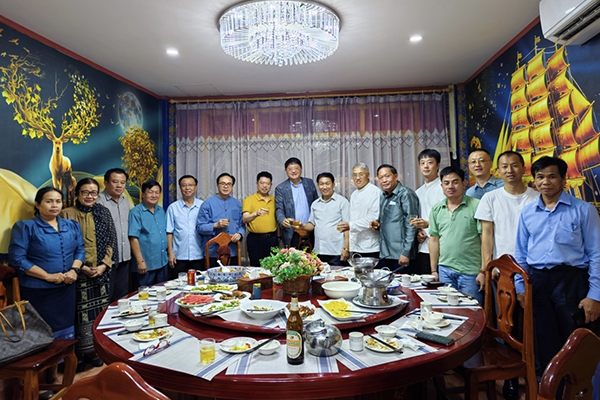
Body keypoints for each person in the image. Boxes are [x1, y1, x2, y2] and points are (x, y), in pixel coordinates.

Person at [515, 156, 600, 377]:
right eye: (540, 177)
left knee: (573, 339)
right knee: (543, 337)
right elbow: (520, 254)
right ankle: (548, 387)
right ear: (534, 181)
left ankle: (575, 388)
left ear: (564, 180)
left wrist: (595, 295)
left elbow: (597, 254)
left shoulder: (584, 210)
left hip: (571, 281)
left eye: (552, 176)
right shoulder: (527, 213)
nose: (545, 182)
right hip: (538, 281)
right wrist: (520, 287)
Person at [474, 151, 537, 400]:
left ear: (523, 167)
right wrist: (485, 269)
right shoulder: (490, 198)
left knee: (531, 326)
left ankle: (536, 373)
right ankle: (510, 378)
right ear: (498, 171)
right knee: (505, 325)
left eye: (514, 165)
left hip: (532, 271)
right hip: (502, 273)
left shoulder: (536, 197)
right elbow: (487, 237)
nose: (509, 170)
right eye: (504, 166)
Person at [9, 187, 84, 385]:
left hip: (66, 289)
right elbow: (17, 259)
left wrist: (74, 270)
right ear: (37, 204)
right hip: (39, 292)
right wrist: (47, 276)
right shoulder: (25, 227)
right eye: (49, 201)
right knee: (42, 335)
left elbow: (80, 250)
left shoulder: (71, 225)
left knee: (64, 333)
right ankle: (40, 380)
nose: (54, 205)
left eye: (58, 201)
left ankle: (57, 376)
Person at [61, 177, 118, 369]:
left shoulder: (103, 212)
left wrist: (103, 265)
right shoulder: (67, 214)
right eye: (85, 192)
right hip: (78, 273)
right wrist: (81, 267)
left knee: (100, 313)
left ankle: (96, 351)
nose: (89, 196)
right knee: (80, 315)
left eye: (93, 193)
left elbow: (111, 240)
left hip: (101, 273)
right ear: (77, 194)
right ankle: (79, 355)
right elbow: (65, 247)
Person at [429, 166, 483, 304]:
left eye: (455, 182)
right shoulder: (436, 209)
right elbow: (434, 240)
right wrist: (434, 270)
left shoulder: (477, 206)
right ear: (441, 185)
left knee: (472, 310)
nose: (450, 186)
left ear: (464, 184)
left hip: (471, 272)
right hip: (445, 270)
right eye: (446, 183)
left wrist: (483, 271)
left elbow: (485, 240)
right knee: (447, 310)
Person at [375, 164, 420, 271]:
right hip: (386, 253)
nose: (384, 180)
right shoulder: (383, 196)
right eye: (381, 178)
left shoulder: (406, 194)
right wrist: (377, 225)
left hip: (401, 255)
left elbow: (411, 224)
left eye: (387, 176)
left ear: (396, 176)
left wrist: (406, 252)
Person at [300, 173, 350, 265]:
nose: (324, 187)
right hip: (319, 252)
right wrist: (302, 225)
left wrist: (346, 248)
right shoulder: (315, 204)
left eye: (327, 183)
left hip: (336, 252)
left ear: (333, 185)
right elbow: (312, 225)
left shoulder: (342, 202)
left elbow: (348, 228)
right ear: (318, 186)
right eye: (321, 184)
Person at [97, 168, 131, 302]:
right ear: (106, 183)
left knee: (122, 296)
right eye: (115, 182)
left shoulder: (124, 200)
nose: (119, 186)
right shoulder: (99, 201)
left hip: (125, 256)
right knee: (107, 296)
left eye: (123, 182)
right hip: (107, 259)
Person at [196, 173, 245, 267]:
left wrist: (240, 234)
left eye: (229, 184)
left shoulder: (237, 204)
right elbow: (199, 227)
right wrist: (215, 225)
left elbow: (241, 225)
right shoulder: (207, 204)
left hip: (232, 251)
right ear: (217, 185)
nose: (226, 186)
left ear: (232, 186)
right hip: (213, 253)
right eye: (222, 183)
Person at [410, 149, 445, 274]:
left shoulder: (444, 188)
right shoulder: (418, 192)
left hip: (441, 247)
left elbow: (447, 217)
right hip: (422, 247)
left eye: (430, 162)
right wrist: (419, 230)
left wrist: (428, 224)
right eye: (422, 163)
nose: (426, 166)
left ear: (438, 165)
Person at [128, 180, 168, 288]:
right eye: (150, 192)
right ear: (143, 194)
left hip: (162, 262)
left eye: (157, 192)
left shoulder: (160, 211)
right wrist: (140, 261)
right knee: (144, 295)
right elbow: (133, 238)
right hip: (146, 264)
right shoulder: (136, 212)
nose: (154, 195)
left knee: (162, 293)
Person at [337, 163, 380, 258]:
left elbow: (374, 217)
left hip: (370, 247)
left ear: (368, 175)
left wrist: (351, 225)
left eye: (361, 174)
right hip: (355, 246)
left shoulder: (375, 192)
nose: (357, 178)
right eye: (354, 175)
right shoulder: (354, 194)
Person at [275, 157, 318, 247]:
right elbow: (279, 209)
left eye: (296, 168)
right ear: (286, 171)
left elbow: (317, 203)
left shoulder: (309, 183)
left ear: (301, 169)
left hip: (311, 230)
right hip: (292, 231)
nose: (293, 171)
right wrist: (283, 220)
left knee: (313, 255)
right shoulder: (281, 188)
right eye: (290, 169)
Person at [166, 175, 204, 276]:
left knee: (199, 283)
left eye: (190, 185)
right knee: (178, 283)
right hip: (179, 256)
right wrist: (170, 253)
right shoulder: (173, 208)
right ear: (180, 188)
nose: (187, 188)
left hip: (199, 255)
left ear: (195, 187)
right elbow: (169, 232)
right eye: (184, 185)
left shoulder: (202, 206)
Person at [242, 171, 278, 266]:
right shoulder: (249, 199)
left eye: (267, 183)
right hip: (255, 239)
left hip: (272, 238)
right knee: (256, 267)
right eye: (262, 183)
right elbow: (245, 219)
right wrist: (256, 214)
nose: (264, 186)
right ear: (256, 184)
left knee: (273, 268)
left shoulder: (274, 200)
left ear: (271, 185)